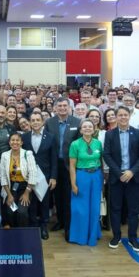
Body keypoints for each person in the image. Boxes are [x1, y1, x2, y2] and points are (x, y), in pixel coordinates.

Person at [103, 107, 139, 251]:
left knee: (133, 210)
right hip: (117, 178)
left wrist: (131, 172)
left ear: (129, 116)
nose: (123, 117)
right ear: (116, 117)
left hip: (133, 177)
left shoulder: (138, 133)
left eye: (125, 115)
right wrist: (119, 173)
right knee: (115, 208)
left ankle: (133, 238)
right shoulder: (110, 134)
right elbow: (107, 155)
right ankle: (116, 236)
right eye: (120, 115)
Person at [45, 98, 81, 241]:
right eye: (59, 105)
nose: (62, 108)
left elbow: (79, 144)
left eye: (65, 105)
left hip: (70, 165)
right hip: (54, 164)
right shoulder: (49, 123)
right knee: (57, 196)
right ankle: (60, 221)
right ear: (55, 108)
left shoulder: (77, 122)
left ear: (69, 107)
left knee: (67, 197)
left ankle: (68, 226)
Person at [21, 112, 58, 239]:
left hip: (45, 176)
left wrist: (53, 177)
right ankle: (33, 225)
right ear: (30, 122)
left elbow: (54, 159)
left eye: (38, 120)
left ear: (42, 122)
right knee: (31, 202)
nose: (35, 122)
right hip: (29, 176)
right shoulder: (24, 137)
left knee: (44, 202)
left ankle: (43, 226)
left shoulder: (51, 137)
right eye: (33, 120)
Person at [68, 119, 104, 246]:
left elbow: (101, 162)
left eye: (90, 127)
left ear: (94, 129)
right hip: (81, 176)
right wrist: (73, 184)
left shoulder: (98, 143)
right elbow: (72, 166)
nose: (87, 128)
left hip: (96, 176)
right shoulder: (75, 144)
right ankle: (80, 237)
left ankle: (93, 236)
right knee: (81, 209)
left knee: (95, 208)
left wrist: (102, 179)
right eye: (85, 127)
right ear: (81, 130)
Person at [0, 133, 38, 228]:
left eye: (17, 140)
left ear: (21, 142)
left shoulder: (27, 154)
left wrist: (26, 193)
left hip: (25, 187)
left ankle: (23, 233)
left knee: (22, 212)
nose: (15, 142)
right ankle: (14, 233)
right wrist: (9, 195)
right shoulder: (4, 155)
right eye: (12, 140)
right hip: (11, 187)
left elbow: (33, 174)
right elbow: (3, 176)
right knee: (11, 211)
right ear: (9, 142)